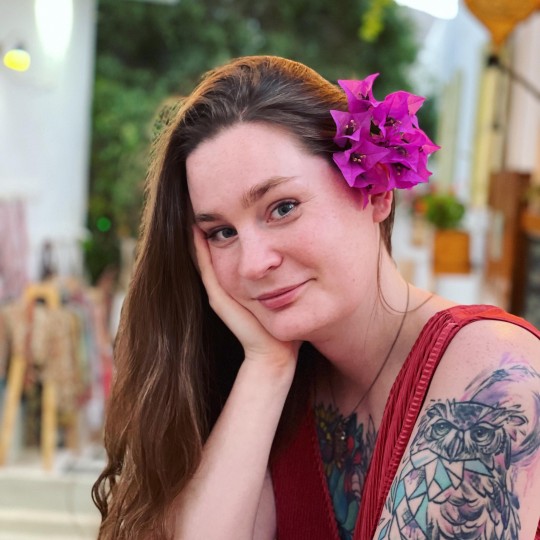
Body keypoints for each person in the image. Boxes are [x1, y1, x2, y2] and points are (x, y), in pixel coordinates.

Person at [92, 56, 540, 540]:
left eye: (282, 208)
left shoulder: (494, 371)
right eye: (221, 232)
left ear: (375, 191)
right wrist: (266, 368)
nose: (252, 263)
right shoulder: (272, 386)